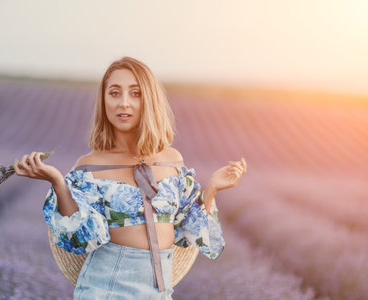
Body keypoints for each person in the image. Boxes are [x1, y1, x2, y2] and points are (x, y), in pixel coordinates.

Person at [13, 56, 247, 299]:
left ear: (149, 100)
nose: (124, 103)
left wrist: (212, 188)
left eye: (135, 93)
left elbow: (186, 232)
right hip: (105, 290)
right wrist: (58, 182)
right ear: (103, 101)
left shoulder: (171, 160)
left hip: (160, 292)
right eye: (114, 93)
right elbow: (81, 237)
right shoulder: (90, 166)